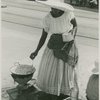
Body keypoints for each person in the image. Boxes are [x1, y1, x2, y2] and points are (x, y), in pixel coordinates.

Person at [30, 0, 79, 100]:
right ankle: (53, 91)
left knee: (66, 69)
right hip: (54, 45)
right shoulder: (47, 18)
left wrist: (71, 37)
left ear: (61, 8)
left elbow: (75, 26)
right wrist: (36, 51)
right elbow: (43, 36)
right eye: (52, 8)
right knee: (52, 69)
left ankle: (63, 91)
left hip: (67, 44)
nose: (53, 10)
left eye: (56, 8)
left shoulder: (68, 14)